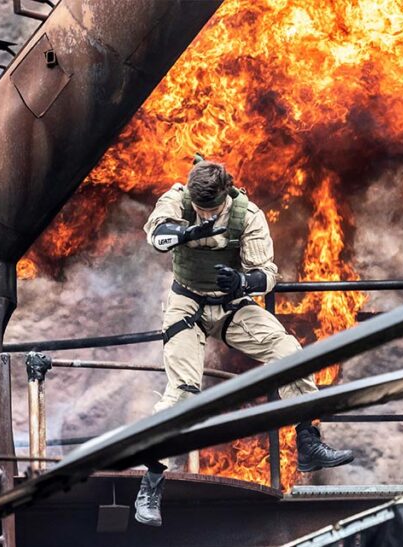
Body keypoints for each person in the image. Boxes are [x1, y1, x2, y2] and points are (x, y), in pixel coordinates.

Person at [134, 159, 354, 526]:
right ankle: (152, 482)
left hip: (231, 306)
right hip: (186, 304)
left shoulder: (246, 214)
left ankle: (307, 441)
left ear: (225, 194)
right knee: (184, 391)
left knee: (289, 353)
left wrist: (241, 283)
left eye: (211, 207)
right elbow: (157, 236)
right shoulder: (177, 200)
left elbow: (267, 274)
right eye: (199, 206)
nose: (205, 212)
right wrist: (189, 232)